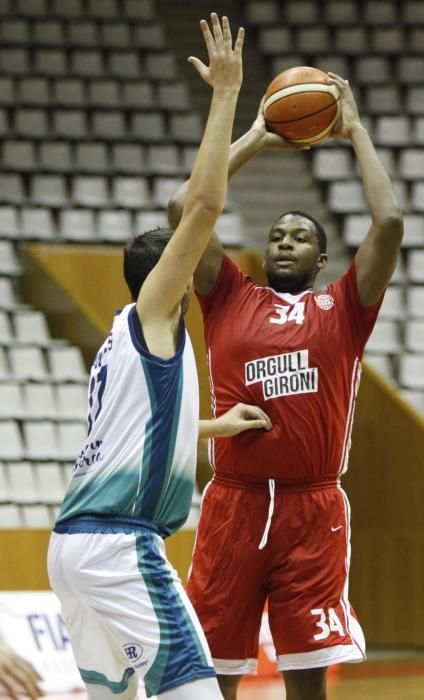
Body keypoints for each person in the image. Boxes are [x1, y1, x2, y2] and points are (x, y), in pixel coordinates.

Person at [46, 15, 269, 700]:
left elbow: (137, 434)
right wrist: (228, 96)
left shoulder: (122, 337)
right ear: (166, 276)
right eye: (187, 261)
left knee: (114, 697)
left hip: (70, 547)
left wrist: (213, 429)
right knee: (193, 689)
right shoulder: (154, 315)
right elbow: (197, 206)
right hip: (120, 544)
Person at [168, 73, 404, 700]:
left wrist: (352, 129)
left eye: (300, 237)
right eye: (276, 235)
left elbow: (390, 222)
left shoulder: (345, 308)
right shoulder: (228, 297)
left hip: (311, 509)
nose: (286, 242)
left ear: (322, 259)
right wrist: (255, 137)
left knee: (306, 683)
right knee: (212, 678)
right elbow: (181, 208)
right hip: (233, 504)